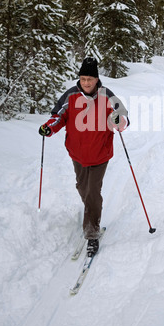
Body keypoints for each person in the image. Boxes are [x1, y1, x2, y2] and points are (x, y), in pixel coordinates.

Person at [39, 57, 129, 256]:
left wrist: (118, 120)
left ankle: (91, 234)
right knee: (82, 187)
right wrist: (49, 128)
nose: (86, 83)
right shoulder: (71, 95)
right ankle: (92, 209)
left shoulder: (107, 96)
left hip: (100, 154)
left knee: (92, 192)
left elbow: (123, 120)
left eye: (90, 79)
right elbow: (58, 116)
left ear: (97, 79)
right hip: (77, 154)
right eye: (83, 78)